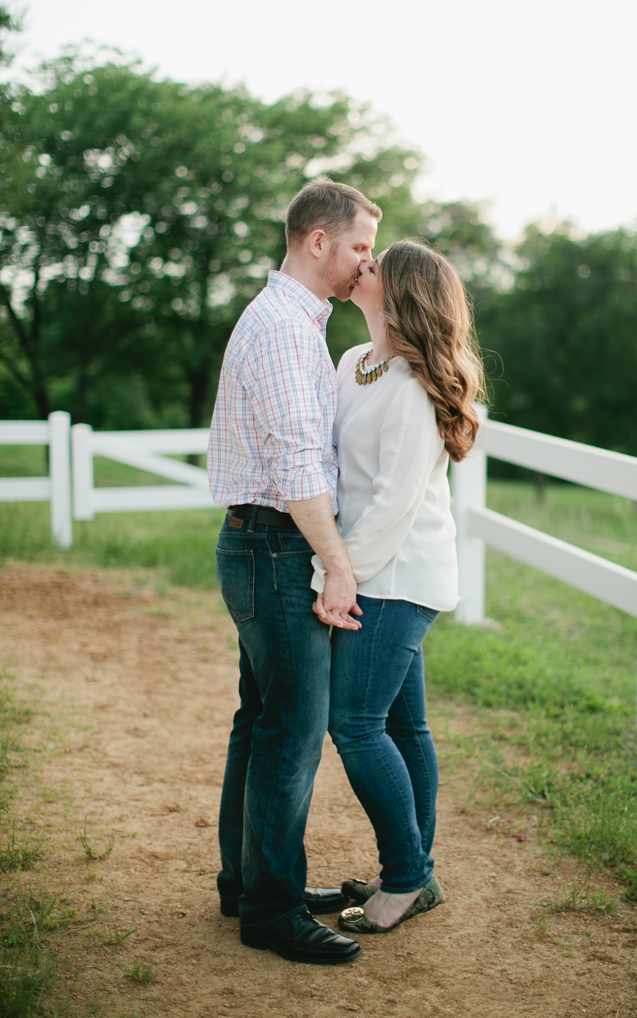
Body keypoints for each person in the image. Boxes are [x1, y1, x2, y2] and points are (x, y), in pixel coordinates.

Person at [207, 177, 381, 965]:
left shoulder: (290, 321)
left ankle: (249, 883)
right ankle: (271, 910)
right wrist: (336, 566)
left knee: (263, 721)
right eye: (358, 249)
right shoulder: (283, 328)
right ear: (319, 242)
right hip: (277, 548)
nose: (363, 266)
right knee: (292, 731)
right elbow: (296, 467)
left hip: (264, 544)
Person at [311, 240, 484, 934]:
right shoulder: (355, 362)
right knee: (403, 725)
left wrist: (335, 576)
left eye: (376, 264)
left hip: (396, 576)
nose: (362, 266)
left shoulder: (414, 387)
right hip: (369, 568)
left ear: (402, 292)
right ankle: (417, 873)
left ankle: (406, 875)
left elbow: (392, 504)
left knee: (353, 723)